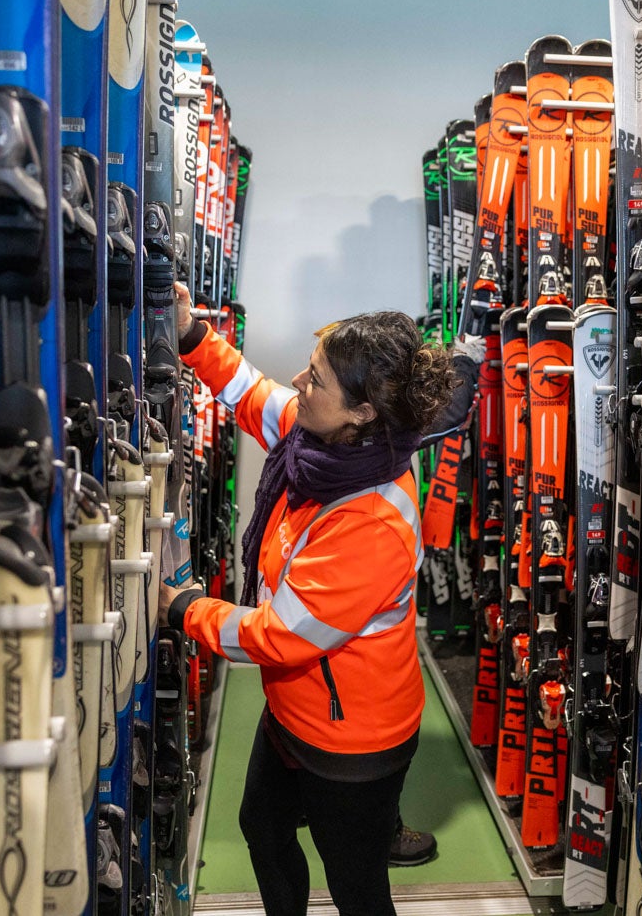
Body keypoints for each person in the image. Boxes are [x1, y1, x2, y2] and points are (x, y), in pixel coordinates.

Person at [158, 281, 457, 916]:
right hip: (300, 709)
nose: (299, 380)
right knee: (263, 831)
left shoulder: (371, 520)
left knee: (357, 889)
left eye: (316, 379)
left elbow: (280, 634)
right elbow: (252, 393)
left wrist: (184, 607)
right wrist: (189, 335)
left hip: (353, 741)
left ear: (363, 412)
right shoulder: (322, 445)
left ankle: (375, 833)